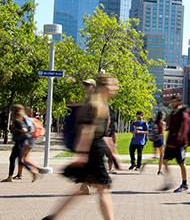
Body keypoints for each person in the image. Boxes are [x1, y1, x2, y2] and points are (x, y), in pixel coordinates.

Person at [43, 74, 119, 220]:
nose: (114, 88)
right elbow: (86, 130)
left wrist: (112, 152)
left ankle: (53, 217)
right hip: (92, 151)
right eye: (112, 85)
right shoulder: (95, 104)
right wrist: (83, 155)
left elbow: (103, 133)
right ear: (102, 87)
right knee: (104, 189)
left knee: (86, 189)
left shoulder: (103, 104)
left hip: (94, 149)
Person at [1, 105, 40, 183]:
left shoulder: (17, 120)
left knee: (19, 159)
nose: (11, 112)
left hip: (20, 141)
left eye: (12, 110)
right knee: (13, 158)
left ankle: (33, 172)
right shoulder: (22, 118)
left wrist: (20, 130)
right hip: (20, 141)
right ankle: (10, 176)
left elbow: (24, 129)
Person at [161, 95, 190, 192]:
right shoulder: (173, 113)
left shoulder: (183, 114)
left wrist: (178, 141)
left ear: (179, 102)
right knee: (164, 161)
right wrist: (168, 142)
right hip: (171, 142)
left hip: (179, 143)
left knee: (181, 163)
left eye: (174, 101)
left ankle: (185, 184)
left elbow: (184, 129)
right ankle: (169, 181)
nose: (172, 103)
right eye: (172, 101)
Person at [14, 106, 43, 180]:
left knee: (22, 159)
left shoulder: (25, 119)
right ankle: (20, 173)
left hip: (27, 139)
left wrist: (26, 137)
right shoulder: (31, 119)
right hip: (30, 139)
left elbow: (27, 130)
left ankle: (37, 169)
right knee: (24, 158)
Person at [142, 110, 166, 175]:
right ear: (162, 116)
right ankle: (159, 171)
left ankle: (145, 163)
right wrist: (164, 141)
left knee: (155, 156)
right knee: (161, 156)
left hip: (155, 140)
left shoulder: (155, 123)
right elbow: (163, 133)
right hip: (160, 139)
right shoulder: (162, 123)